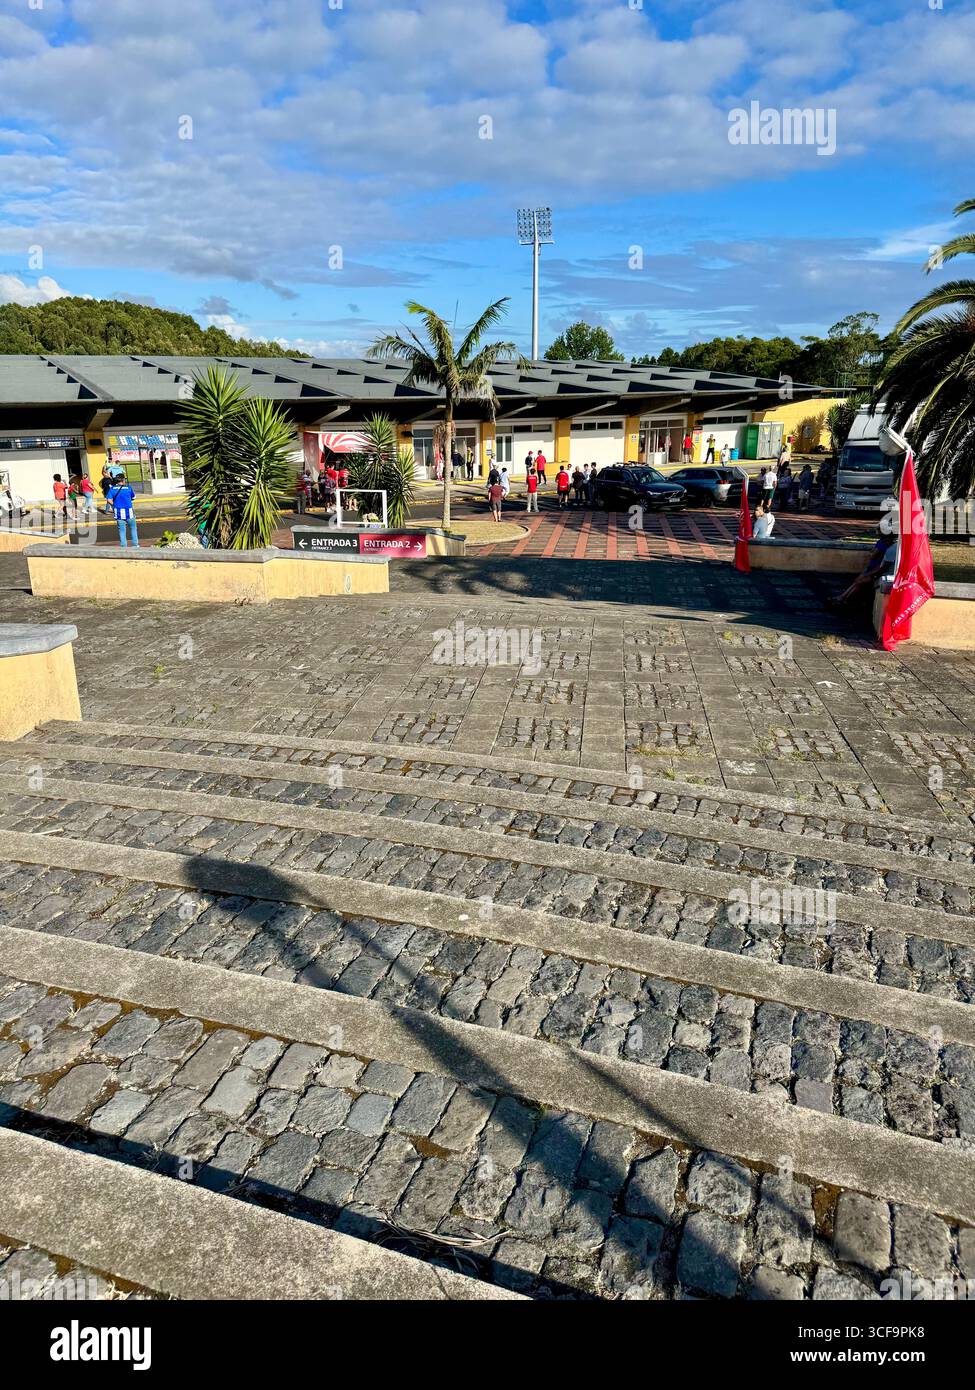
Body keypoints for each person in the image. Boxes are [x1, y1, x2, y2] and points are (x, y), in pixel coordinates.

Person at [826, 526, 897, 611]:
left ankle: (843, 599)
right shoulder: (886, 545)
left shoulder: (890, 549)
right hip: (876, 571)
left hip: (881, 574)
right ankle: (842, 598)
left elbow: (882, 567)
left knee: (860, 581)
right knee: (858, 580)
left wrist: (869, 574)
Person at [108, 475, 139, 547]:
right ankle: (135, 545)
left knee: (122, 531)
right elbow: (134, 497)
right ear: (122, 480)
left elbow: (109, 499)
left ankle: (123, 546)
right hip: (129, 512)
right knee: (133, 529)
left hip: (118, 513)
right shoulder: (128, 488)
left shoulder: (112, 489)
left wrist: (115, 505)